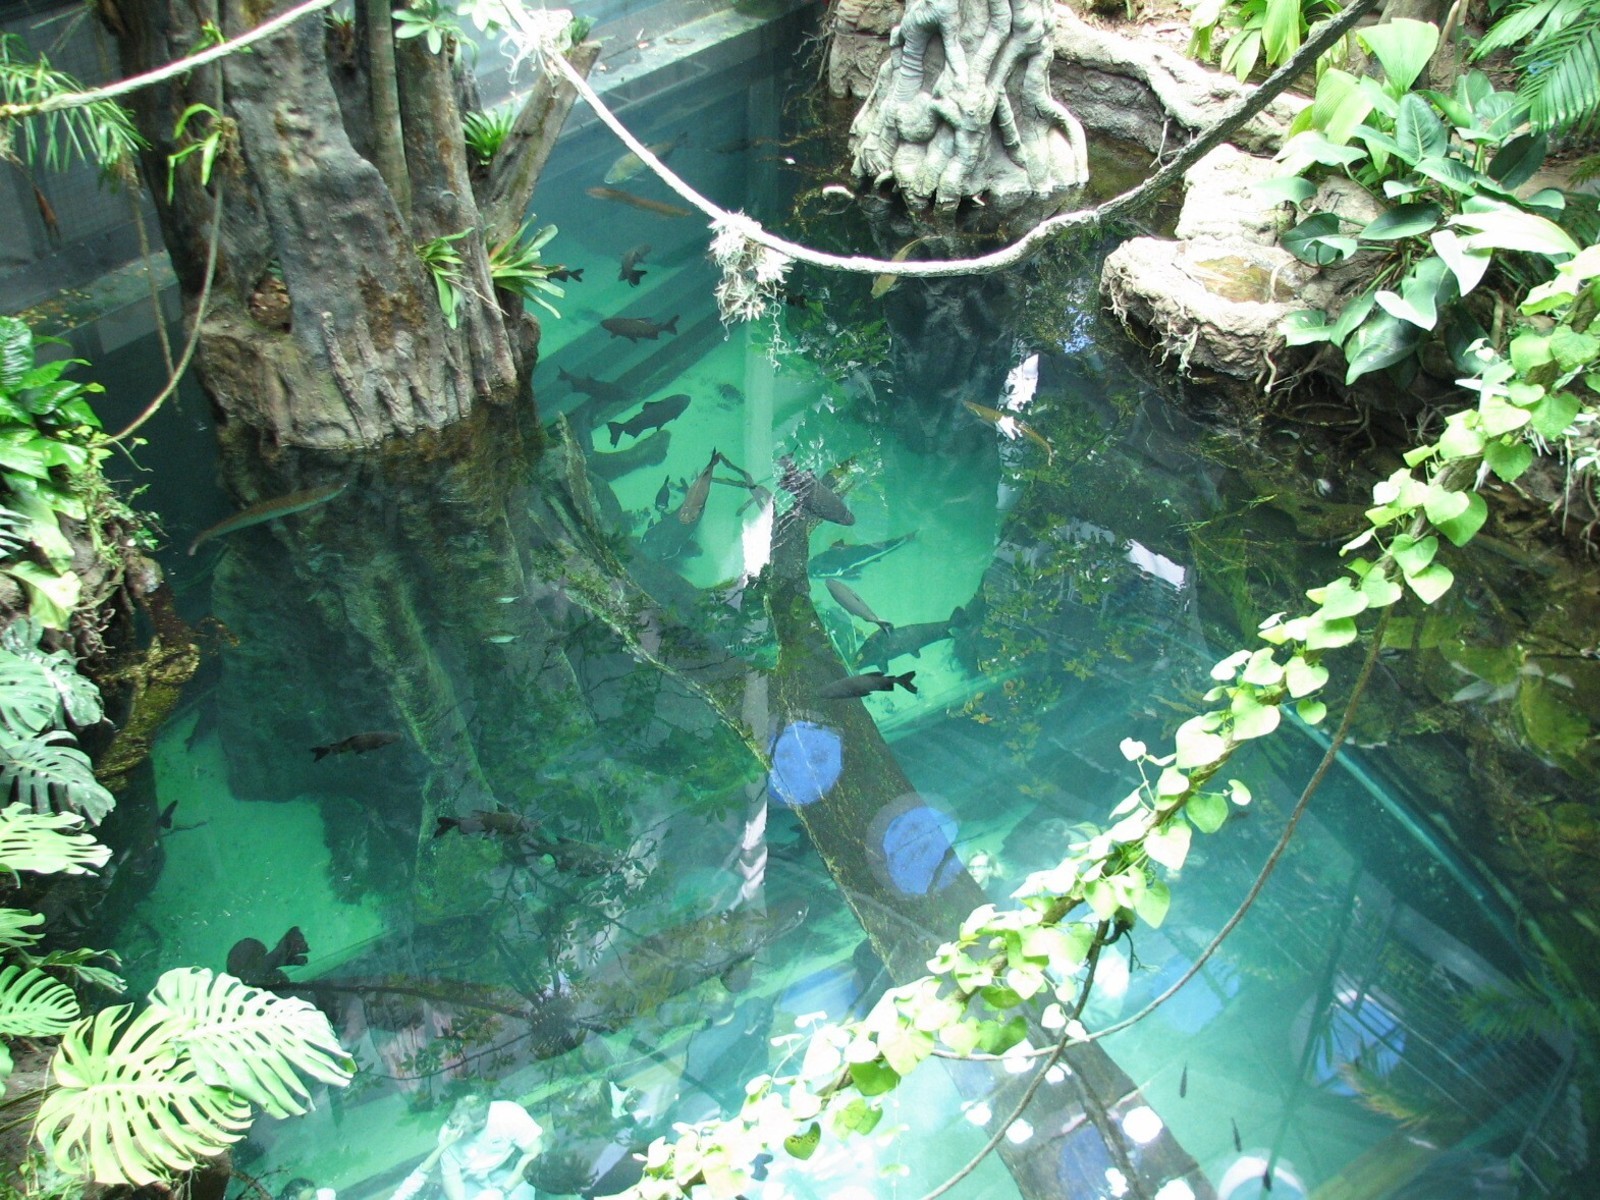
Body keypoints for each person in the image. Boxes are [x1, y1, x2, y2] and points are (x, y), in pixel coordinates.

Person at [394, 1094, 543, 1200]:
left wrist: (503, 1190)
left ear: (481, 1121)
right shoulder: (448, 1134)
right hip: (471, 1180)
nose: (453, 1130)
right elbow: (450, 1175)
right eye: (452, 1123)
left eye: (461, 1126)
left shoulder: (509, 1115)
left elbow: (534, 1152)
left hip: (512, 1174)